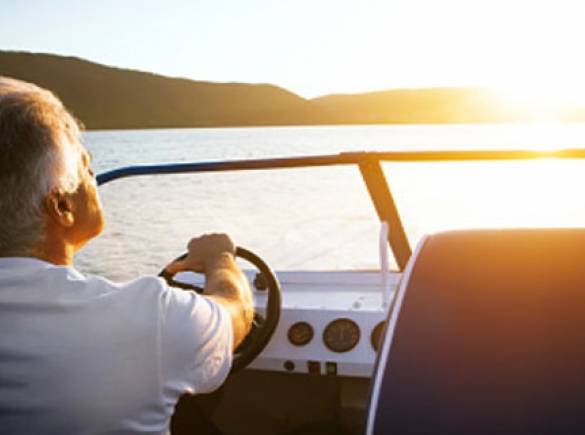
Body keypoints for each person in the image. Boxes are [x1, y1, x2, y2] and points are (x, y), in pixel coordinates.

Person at [0, 76, 254, 434]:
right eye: (86, 164)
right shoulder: (149, 317)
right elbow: (237, 314)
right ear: (61, 205)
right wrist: (220, 259)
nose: (94, 174)